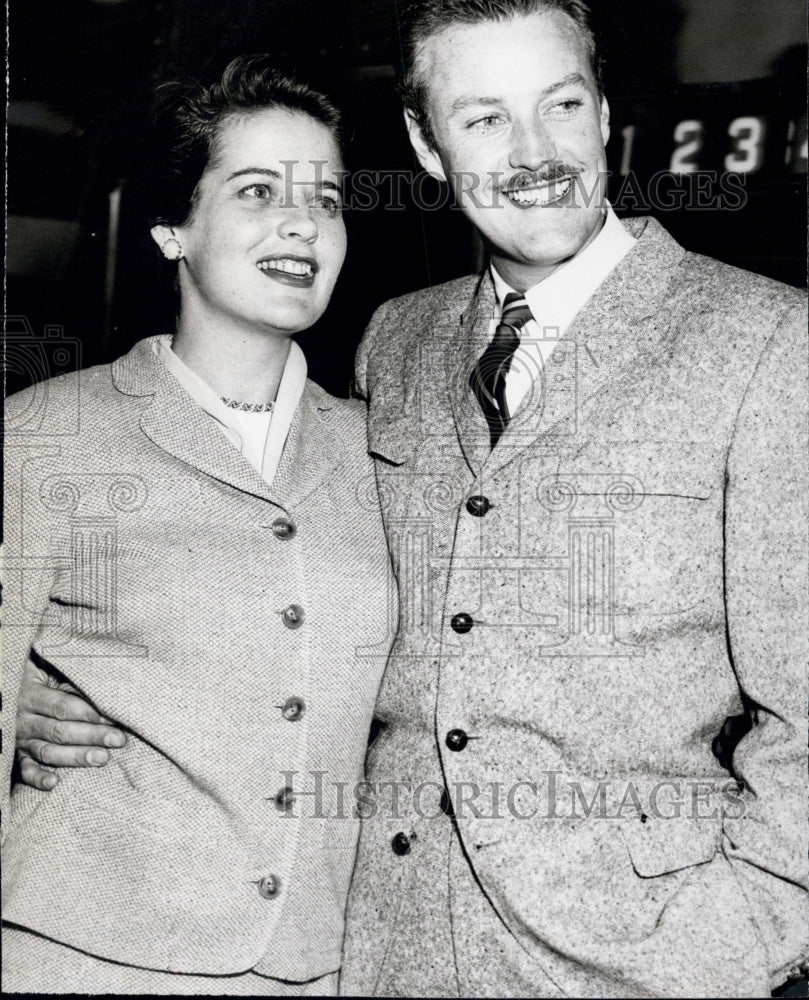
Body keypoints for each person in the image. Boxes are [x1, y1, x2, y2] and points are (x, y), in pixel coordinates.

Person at [17, 2, 809, 997]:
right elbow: (283, 585)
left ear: (603, 112)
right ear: (424, 146)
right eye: (482, 119)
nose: (534, 154)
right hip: (376, 950)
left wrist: (731, 937)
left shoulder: (767, 344)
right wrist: (62, 695)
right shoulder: (396, 340)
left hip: (641, 962)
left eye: (559, 104)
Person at [2, 55, 392, 995]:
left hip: (314, 965)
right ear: (173, 228)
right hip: (75, 956)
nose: (303, 222)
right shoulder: (46, 435)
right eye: (257, 191)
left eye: (327, 199)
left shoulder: (380, 453)